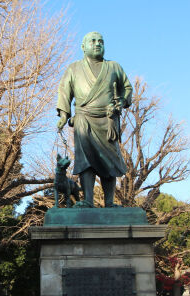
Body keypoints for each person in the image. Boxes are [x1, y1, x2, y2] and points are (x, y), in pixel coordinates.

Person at [56, 31, 133, 208]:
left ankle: (109, 202)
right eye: (92, 41)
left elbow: (127, 89)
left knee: (110, 161)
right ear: (83, 47)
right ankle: (88, 200)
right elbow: (64, 91)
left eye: (101, 41)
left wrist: (120, 101)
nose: (97, 44)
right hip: (84, 119)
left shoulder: (114, 67)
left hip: (108, 119)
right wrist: (63, 115)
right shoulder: (74, 68)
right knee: (86, 160)